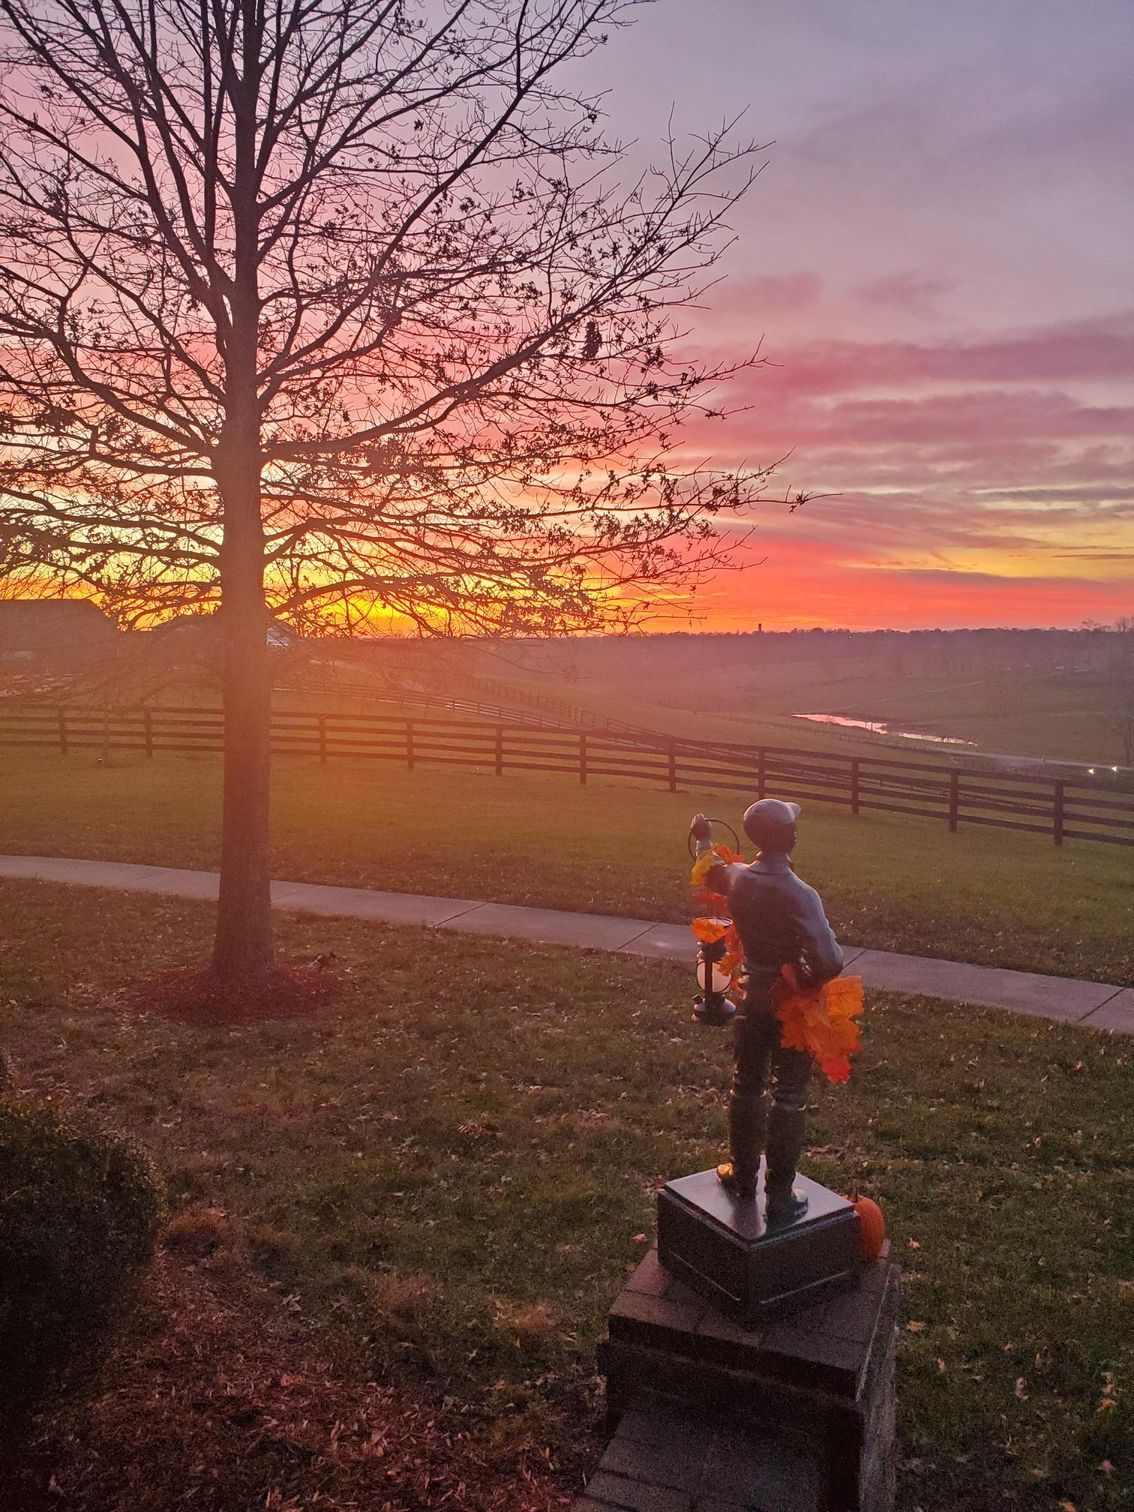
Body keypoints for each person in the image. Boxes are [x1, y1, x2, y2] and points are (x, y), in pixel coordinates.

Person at [690, 799, 843, 1223]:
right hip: (790, 1008)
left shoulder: (738, 879)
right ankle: (779, 1193)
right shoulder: (800, 894)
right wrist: (801, 983)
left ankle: (742, 1177)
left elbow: (709, 868)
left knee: (746, 1084)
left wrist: (703, 837)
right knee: (788, 1096)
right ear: (790, 837)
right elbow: (829, 961)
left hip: (750, 995)